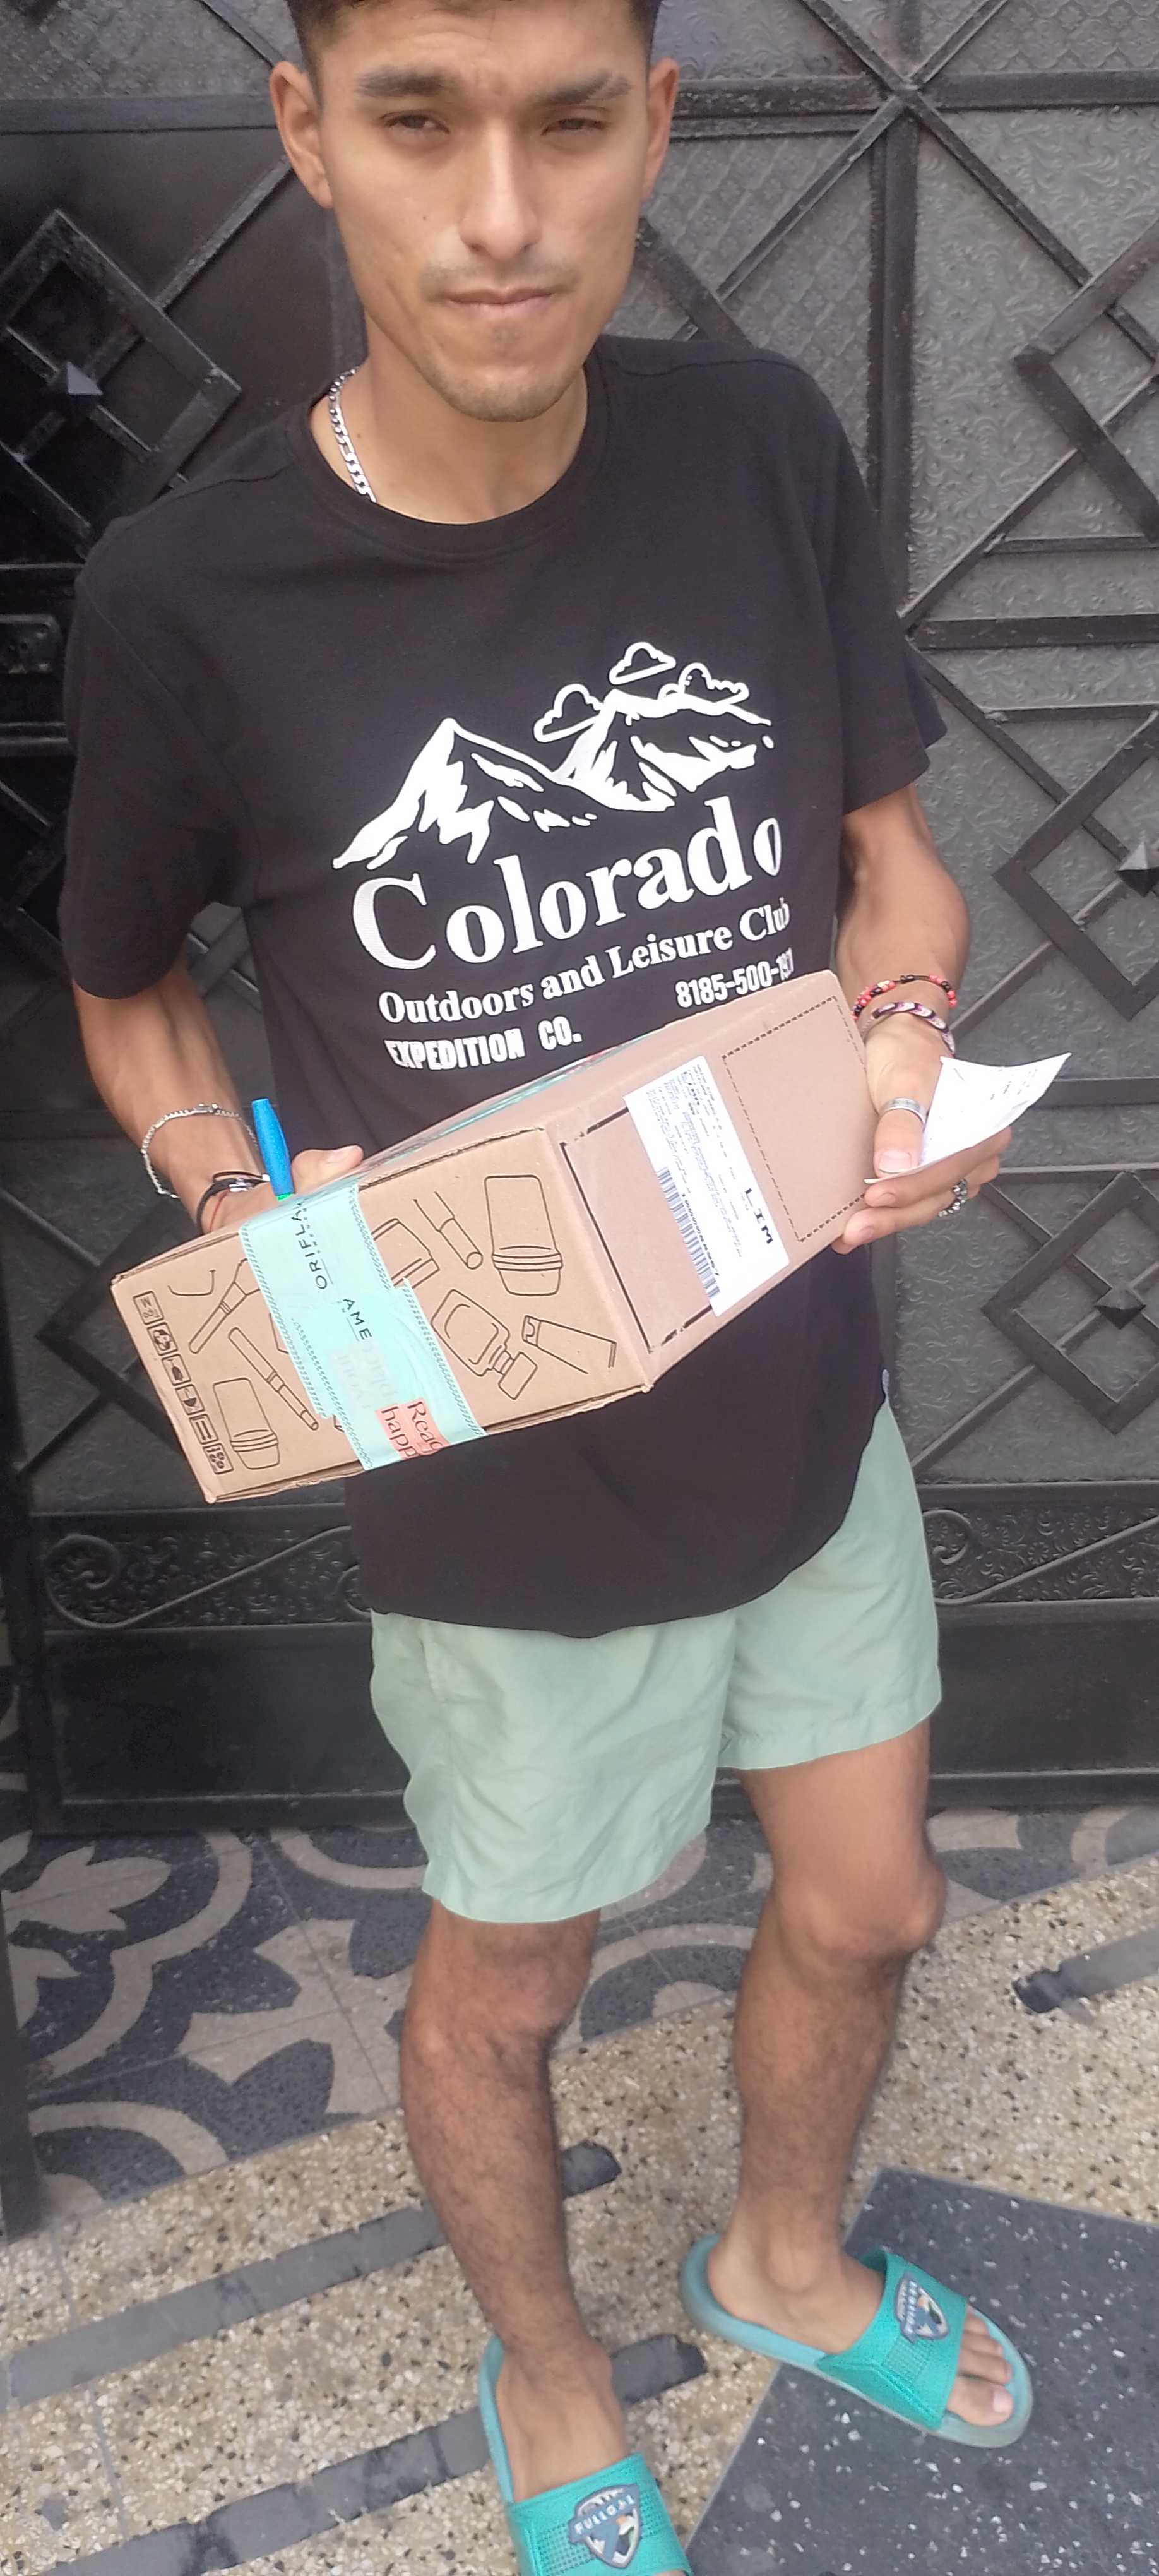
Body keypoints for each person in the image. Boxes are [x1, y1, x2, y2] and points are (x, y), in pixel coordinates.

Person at [60, 3, 1032, 2567]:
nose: (502, 213)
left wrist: (902, 1035)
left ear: (654, 127)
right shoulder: (189, 593)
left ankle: (779, 2258)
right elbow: (127, 998)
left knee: (874, 1900)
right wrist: (239, 1208)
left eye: (570, 121)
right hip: (498, 1486)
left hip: (804, 1398)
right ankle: (553, 2373)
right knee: (507, 1990)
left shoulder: (759, 449)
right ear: (308, 131)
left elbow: (891, 867)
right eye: (419, 120)